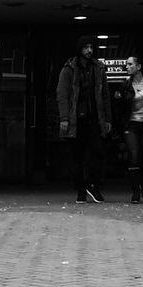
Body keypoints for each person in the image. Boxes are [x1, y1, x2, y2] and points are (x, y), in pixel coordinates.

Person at [56, 36, 111, 203]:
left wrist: (108, 119)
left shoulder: (99, 68)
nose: (89, 50)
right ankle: (80, 188)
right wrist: (64, 118)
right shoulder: (69, 69)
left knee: (98, 152)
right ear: (80, 49)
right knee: (77, 156)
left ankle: (92, 185)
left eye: (91, 47)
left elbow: (105, 96)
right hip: (76, 119)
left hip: (94, 117)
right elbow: (62, 95)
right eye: (86, 47)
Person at [119, 56, 143, 203]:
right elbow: (121, 107)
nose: (127, 67)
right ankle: (135, 191)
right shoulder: (125, 85)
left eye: (130, 64)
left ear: (138, 66)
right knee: (134, 157)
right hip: (132, 124)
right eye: (126, 65)